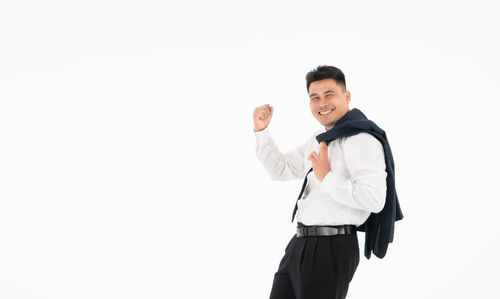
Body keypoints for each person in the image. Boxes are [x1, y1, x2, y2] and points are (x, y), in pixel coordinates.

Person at [253, 65, 390, 299]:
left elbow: (375, 199)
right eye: (315, 97)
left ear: (346, 97)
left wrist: (326, 177)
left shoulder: (361, 140)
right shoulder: (318, 139)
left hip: (332, 246)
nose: (322, 103)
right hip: (299, 244)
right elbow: (281, 169)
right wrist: (261, 131)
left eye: (329, 94)